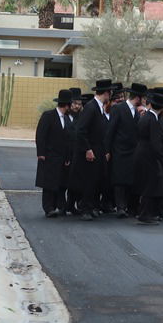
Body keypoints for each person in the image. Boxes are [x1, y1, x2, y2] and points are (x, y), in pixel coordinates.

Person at [69, 78, 114, 220]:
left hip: (98, 150)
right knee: (88, 181)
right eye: (110, 92)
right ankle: (85, 208)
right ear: (106, 93)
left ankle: (92, 206)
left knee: (96, 181)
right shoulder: (91, 107)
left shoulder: (98, 107)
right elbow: (81, 131)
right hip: (90, 151)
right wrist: (87, 149)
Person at [104, 83, 147, 218]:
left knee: (131, 180)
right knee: (119, 180)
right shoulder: (118, 109)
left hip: (134, 152)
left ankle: (130, 207)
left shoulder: (138, 112)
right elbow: (110, 130)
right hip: (120, 150)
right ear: (138, 97)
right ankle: (120, 207)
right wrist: (107, 150)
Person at [134, 91, 163, 225]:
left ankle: (147, 213)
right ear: (162, 107)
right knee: (150, 185)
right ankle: (145, 214)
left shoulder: (146, 117)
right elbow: (155, 144)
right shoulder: (153, 120)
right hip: (149, 156)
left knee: (149, 184)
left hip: (142, 154)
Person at [35, 89, 73, 217]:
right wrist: (41, 153)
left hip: (62, 158)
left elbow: (68, 140)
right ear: (66, 105)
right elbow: (41, 135)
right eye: (70, 105)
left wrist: (68, 157)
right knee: (49, 183)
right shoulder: (48, 116)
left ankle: (60, 205)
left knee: (61, 183)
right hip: (50, 155)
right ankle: (48, 208)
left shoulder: (67, 119)